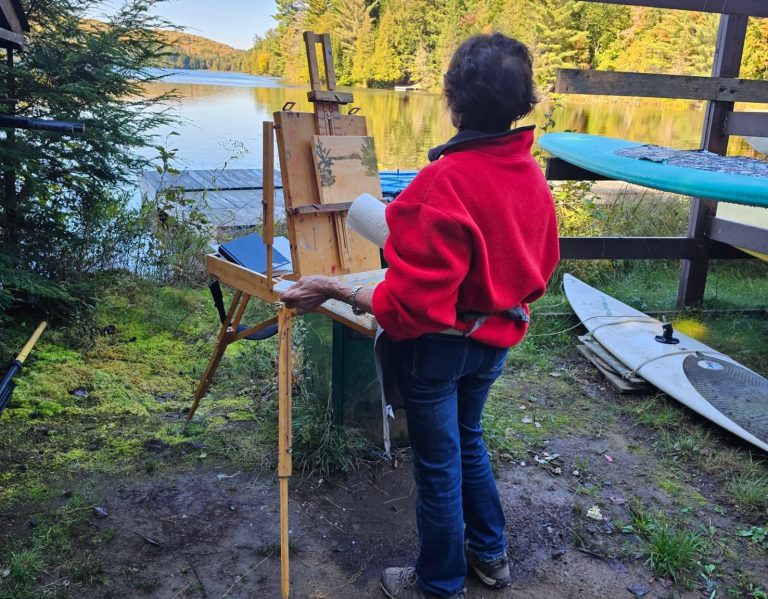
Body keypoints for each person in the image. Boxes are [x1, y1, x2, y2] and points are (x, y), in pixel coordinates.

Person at [279, 32, 559, 599]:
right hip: (497, 339)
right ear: (520, 102)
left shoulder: (443, 182)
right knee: (468, 437)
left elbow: (411, 308)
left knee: (438, 464)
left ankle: (437, 583)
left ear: (453, 99)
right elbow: (538, 266)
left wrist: (336, 288)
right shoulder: (529, 173)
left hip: (439, 349)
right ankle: (490, 557)